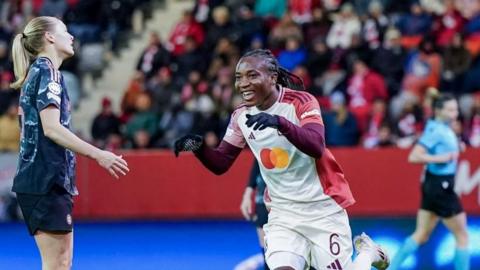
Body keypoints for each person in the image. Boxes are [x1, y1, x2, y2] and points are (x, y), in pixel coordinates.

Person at [174, 49, 389, 270]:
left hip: (323, 209)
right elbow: (222, 162)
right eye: (239, 77)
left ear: (272, 77)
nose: (243, 83)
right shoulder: (241, 116)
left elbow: (316, 145)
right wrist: (200, 148)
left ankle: (368, 253)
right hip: (283, 213)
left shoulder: (301, 102)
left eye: (252, 75)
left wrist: (281, 123)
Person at [10, 16, 129, 270]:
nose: (71, 36)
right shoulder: (47, 71)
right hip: (45, 180)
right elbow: (51, 128)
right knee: (57, 264)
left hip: (43, 179)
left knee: (61, 263)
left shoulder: (40, 71)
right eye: (64, 31)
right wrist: (99, 154)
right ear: (49, 37)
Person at [390, 94, 470, 270]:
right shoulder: (436, 131)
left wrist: (457, 148)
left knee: (421, 234)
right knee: (462, 235)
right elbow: (414, 156)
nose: (454, 113)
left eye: (455, 109)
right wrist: (440, 157)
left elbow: (446, 147)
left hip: (433, 185)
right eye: (449, 110)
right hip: (441, 187)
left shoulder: (443, 128)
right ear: (438, 111)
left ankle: (391, 267)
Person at [240, 161, 270, 270]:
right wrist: (248, 193)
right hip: (264, 196)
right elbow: (258, 161)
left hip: (292, 198)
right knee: (266, 246)